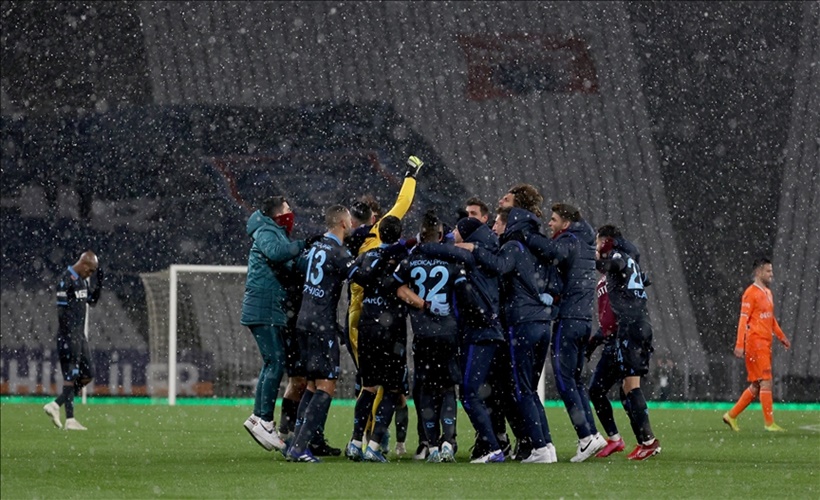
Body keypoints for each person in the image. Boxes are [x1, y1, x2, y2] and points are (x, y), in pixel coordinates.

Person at [459, 207, 557, 463]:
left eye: (498, 223)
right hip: (542, 321)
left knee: (521, 389)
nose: (494, 228)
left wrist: (475, 249)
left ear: (510, 224)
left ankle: (538, 448)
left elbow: (499, 266)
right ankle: (546, 445)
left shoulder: (513, 246)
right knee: (530, 389)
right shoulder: (530, 248)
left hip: (523, 322)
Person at [346, 156, 424, 455]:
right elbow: (403, 201)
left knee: (367, 382)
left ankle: (359, 439)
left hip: (360, 314)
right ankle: (375, 440)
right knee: (387, 386)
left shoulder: (352, 242)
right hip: (387, 319)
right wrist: (410, 175)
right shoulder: (384, 237)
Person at [524, 203, 607, 462]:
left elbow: (551, 252)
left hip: (569, 319)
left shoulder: (569, 241)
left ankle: (585, 436)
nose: (549, 224)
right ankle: (592, 434)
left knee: (564, 380)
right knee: (576, 380)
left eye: (554, 219)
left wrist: (527, 235)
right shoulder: (585, 242)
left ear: (566, 223)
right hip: (583, 319)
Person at [394, 210, 465, 463]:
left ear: (421, 235)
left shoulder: (411, 260)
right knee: (447, 388)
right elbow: (464, 293)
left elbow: (399, 288)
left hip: (423, 334)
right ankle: (448, 441)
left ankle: (431, 445)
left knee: (425, 389)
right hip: (448, 333)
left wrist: (423, 304)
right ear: (441, 235)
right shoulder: (452, 260)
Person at [287, 205, 356, 462]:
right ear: (343, 223)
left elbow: (300, 268)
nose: (352, 224)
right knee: (326, 385)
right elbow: (363, 276)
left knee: (312, 385)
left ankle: (295, 443)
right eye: (350, 220)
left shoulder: (315, 247)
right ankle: (299, 447)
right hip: (320, 324)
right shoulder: (339, 252)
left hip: (304, 320)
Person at [240, 196, 308, 453]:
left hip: (267, 305)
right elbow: (278, 254)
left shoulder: (274, 232)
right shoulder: (266, 231)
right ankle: (265, 421)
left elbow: (290, 263)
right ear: (278, 214)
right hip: (264, 305)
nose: (291, 213)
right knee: (276, 362)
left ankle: (258, 417)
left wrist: (312, 255)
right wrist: (303, 244)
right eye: (288, 209)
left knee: (271, 362)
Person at [344, 216, 410, 462]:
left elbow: (351, 272)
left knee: (368, 387)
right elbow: (404, 288)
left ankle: (355, 442)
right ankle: (373, 446)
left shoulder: (366, 256)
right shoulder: (403, 258)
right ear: (399, 234)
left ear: (379, 234)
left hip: (367, 326)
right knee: (392, 389)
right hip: (391, 330)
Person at [594, 225, 661, 460]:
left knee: (631, 386)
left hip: (631, 326)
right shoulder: (631, 256)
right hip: (640, 324)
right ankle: (645, 441)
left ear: (606, 240)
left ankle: (648, 442)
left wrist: (599, 262)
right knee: (626, 387)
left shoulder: (618, 255)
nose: (596, 247)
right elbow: (644, 279)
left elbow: (617, 264)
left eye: (598, 242)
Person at [723, 257, 791, 432]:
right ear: (759, 272)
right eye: (768, 271)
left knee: (756, 385)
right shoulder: (750, 293)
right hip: (755, 343)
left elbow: (771, 319)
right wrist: (740, 344)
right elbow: (743, 319)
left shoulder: (768, 293)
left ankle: (731, 415)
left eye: (771, 271)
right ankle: (769, 424)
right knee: (766, 381)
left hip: (765, 343)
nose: (771, 274)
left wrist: (782, 337)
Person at [43, 251, 102, 430]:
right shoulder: (65, 280)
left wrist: (99, 283)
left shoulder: (83, 280)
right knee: (71, 375)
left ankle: (56, 404)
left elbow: (92, 301)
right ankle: (70, 419)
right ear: (84, 265)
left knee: (88, 374)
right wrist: (70, 337)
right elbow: (61, 313)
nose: (90, 274)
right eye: (90, 271)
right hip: (68, 335)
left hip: (79, 335)